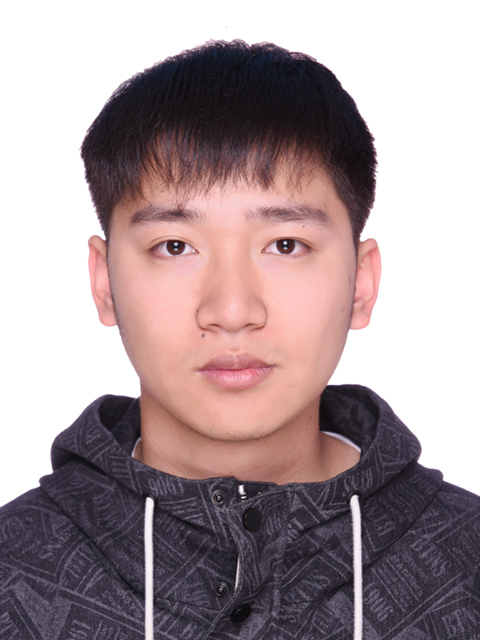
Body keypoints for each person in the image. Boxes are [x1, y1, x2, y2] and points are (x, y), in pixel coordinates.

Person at [0, 40, 478, 640]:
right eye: (175, 246)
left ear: (361, 283)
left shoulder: (467, 565)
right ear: (104, 283)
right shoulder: (13, 573)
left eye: (285, 245)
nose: (231, 311)